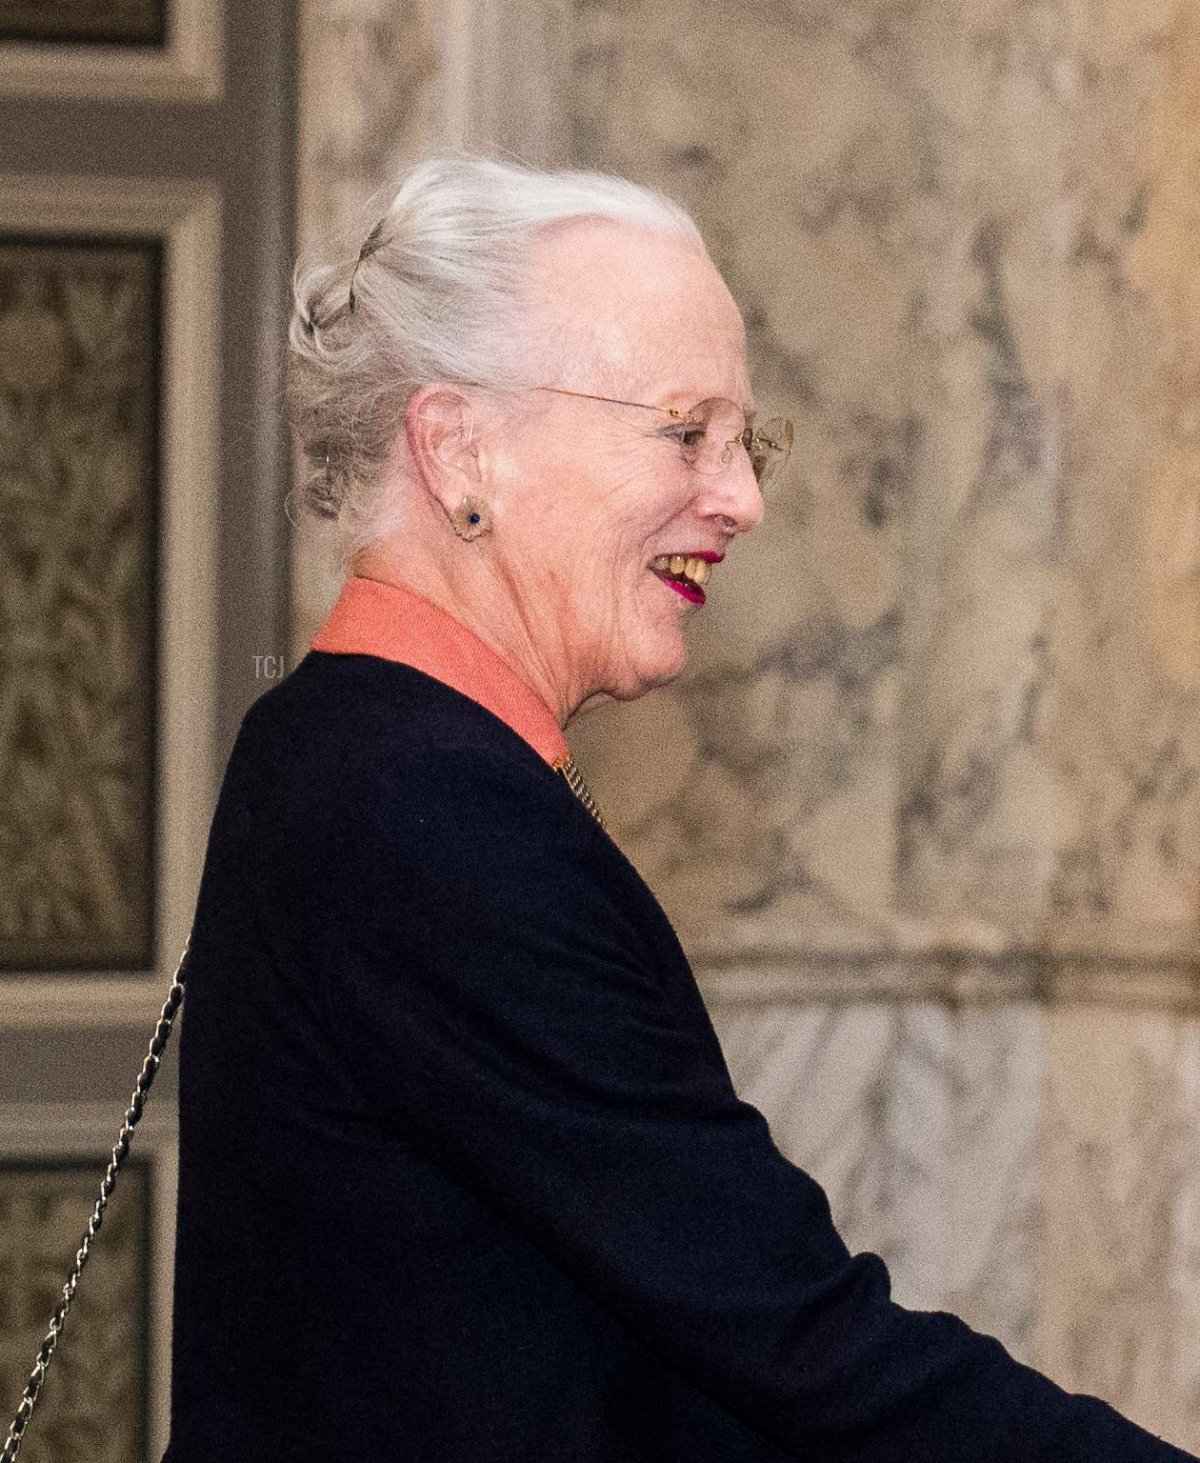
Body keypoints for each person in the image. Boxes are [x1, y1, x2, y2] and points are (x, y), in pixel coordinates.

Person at [162, 155, 1197, 1462]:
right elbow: (796, 1342)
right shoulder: (427, 816)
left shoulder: (329, 739)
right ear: (458, 445)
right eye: (684, 431)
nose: (744, 498)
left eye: (742, 440)